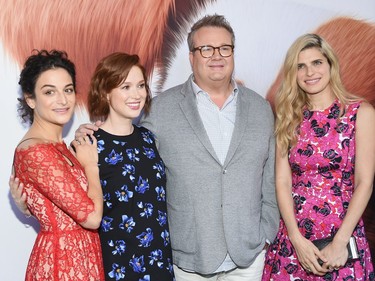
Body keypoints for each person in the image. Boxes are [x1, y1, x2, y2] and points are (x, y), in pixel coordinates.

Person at [12, 15, 278, 280]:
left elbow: (268, 176)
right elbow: (72, 201)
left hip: (165, 259)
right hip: (126, 263)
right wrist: (28, 203)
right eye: (205, 49)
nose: (136, 94)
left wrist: (266, 232)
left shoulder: (148, 136)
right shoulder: (93, 142)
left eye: (140, 85)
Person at [11, 52, 176, 281]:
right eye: (125, 87)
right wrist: (26, 203)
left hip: (151, 260)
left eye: (68, 90)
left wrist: (26, 203)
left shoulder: (148, 138)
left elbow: (59, 192)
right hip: (107, 264)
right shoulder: (86, 145)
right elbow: (88, 213)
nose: (62, 99)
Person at [262, 33, 375, 280]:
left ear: (331, 65)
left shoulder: (360, 113)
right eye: (300, 66)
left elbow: (364, 182)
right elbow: (282, 181)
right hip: (295, 236)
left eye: (317, 63)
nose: (309, 72)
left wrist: (340, 242)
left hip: (342, 235)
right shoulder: (289, 118)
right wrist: (295, 238)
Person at [11, 50, 104, 280]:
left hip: (82, 257)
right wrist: (91, 166)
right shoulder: (36, 151)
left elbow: (54, 204)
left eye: (68, 89)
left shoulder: (58, 145)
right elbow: (92, 218)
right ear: (30, 99)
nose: (62, 100)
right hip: (61, 265)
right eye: (49, 92)